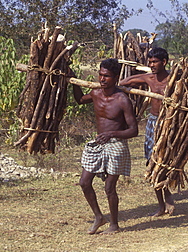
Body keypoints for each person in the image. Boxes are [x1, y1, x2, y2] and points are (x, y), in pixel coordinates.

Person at [73, 58, 138, 234]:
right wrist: (72, 79)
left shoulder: (122, 100)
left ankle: (114, 225)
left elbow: (133, 131)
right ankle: (99, 217)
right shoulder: (95, 94)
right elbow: (80, 99)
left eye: (107, 76)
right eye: (100, 75)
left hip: (116, 144)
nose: (102, 79)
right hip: (98, 143)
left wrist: (111, 134)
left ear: (115, 77)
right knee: (84, 182)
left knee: (109, 187)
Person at [119, 47, 174, 217]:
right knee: (151, 161)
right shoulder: (149, 78)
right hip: (153, 122)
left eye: (154, 62)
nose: (151, 65)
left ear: (164, 62)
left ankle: (169, 198)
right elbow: (125, 82)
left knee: (167, 160)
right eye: (149, 62)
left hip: (170, 123)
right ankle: (160, 204)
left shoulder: (174, 79)